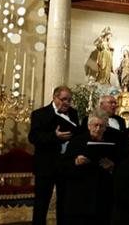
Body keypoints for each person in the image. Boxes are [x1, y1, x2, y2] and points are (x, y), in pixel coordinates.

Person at [28, 86, 80, 225]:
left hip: (65, 164)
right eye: (63, 99)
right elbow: (33, 137)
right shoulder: (40, 114)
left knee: (64, 203)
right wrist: (54, 136)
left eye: (69, 100)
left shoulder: (73, 113)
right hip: (46, 165)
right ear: (55, 98)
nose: (67, 103)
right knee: (41, 204)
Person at [62, 110, 116, 225]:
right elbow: (63, 166)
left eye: (101, 126)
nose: (98, 129)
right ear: (88, 126)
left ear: (106, 127)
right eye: (95, 125)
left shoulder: (112, 143)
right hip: (81, 194)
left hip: (103, 193)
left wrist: (112, 167)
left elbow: (119, 166)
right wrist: (76, 162)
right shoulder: (76, 142)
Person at [81, 95, 129, 161]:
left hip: (116, 153)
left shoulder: (120, 120)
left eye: (115, 103)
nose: (114, 105)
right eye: (111, 102)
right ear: (101, 104)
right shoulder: (87, 119)